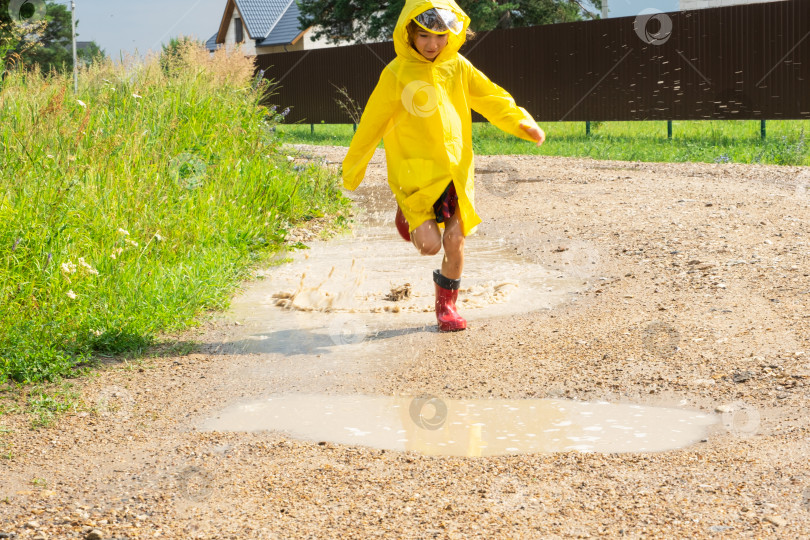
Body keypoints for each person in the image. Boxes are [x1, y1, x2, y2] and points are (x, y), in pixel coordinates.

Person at [342, 0, 545, 332]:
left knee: (454, 241)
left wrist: (523, 122)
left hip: (455, 173)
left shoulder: (458, 66)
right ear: (408, 33)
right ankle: (408, 214)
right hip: (416, 177)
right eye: (423, 36)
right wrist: (352, 171)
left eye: (439, 35)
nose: (432, 44)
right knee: (430, 246)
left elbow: (491, 98)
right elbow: (371, 125)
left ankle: (446, 307)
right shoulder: (395, 73)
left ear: (452, 33)